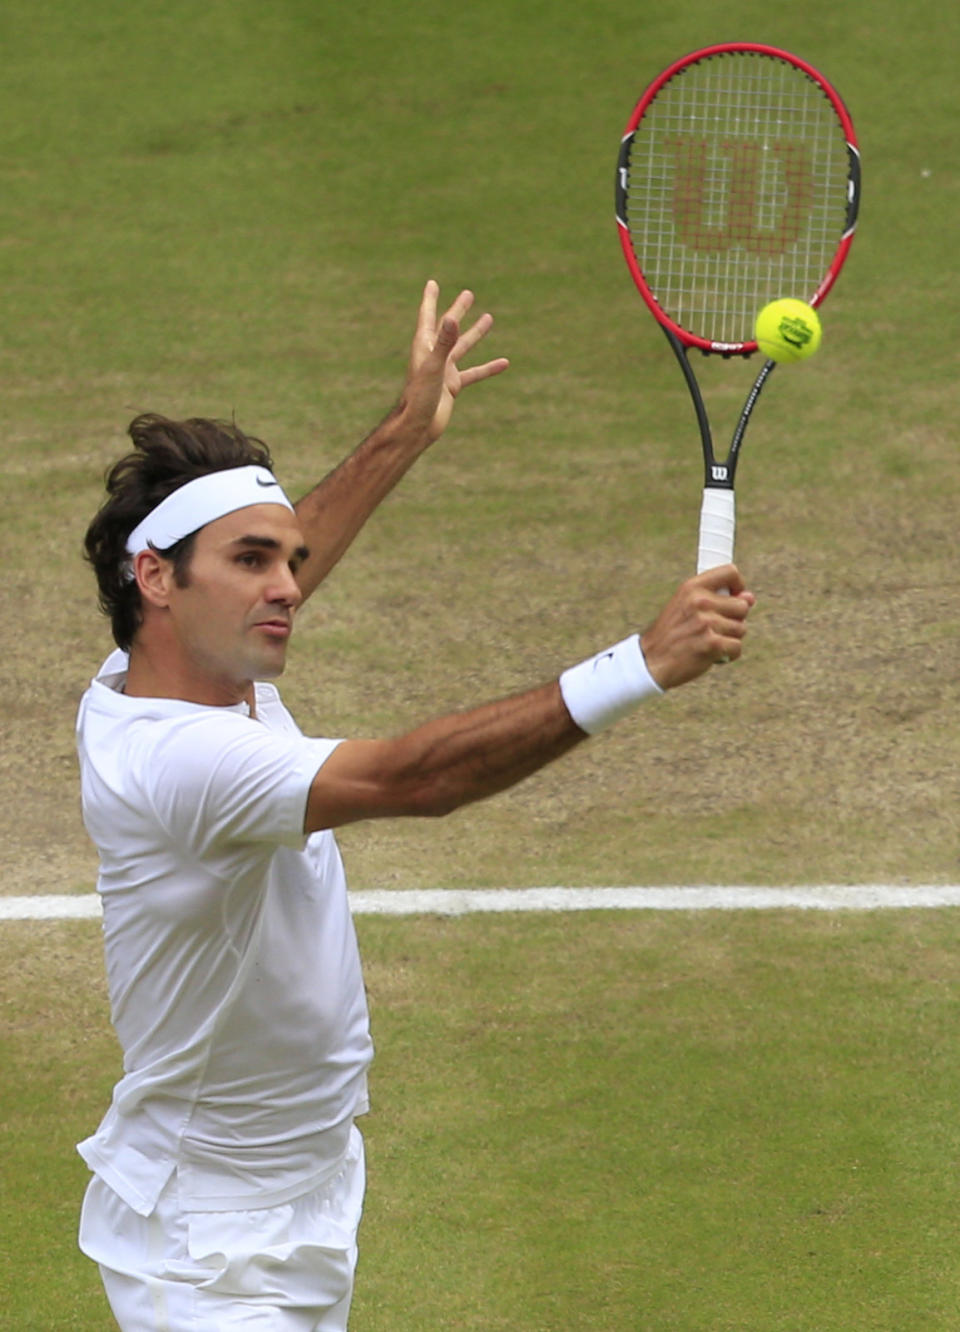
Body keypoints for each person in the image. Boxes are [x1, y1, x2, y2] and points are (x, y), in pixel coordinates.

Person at [76, 280, 755, 1331]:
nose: (288, 587)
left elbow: (286, 561)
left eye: (286, 560)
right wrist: (644, 664)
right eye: (252, 562)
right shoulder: (180, 763)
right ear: (156, 578)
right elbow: (415, 780)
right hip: (209, 1243)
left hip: (304, 1190)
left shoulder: (177, 669)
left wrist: (403, 433)